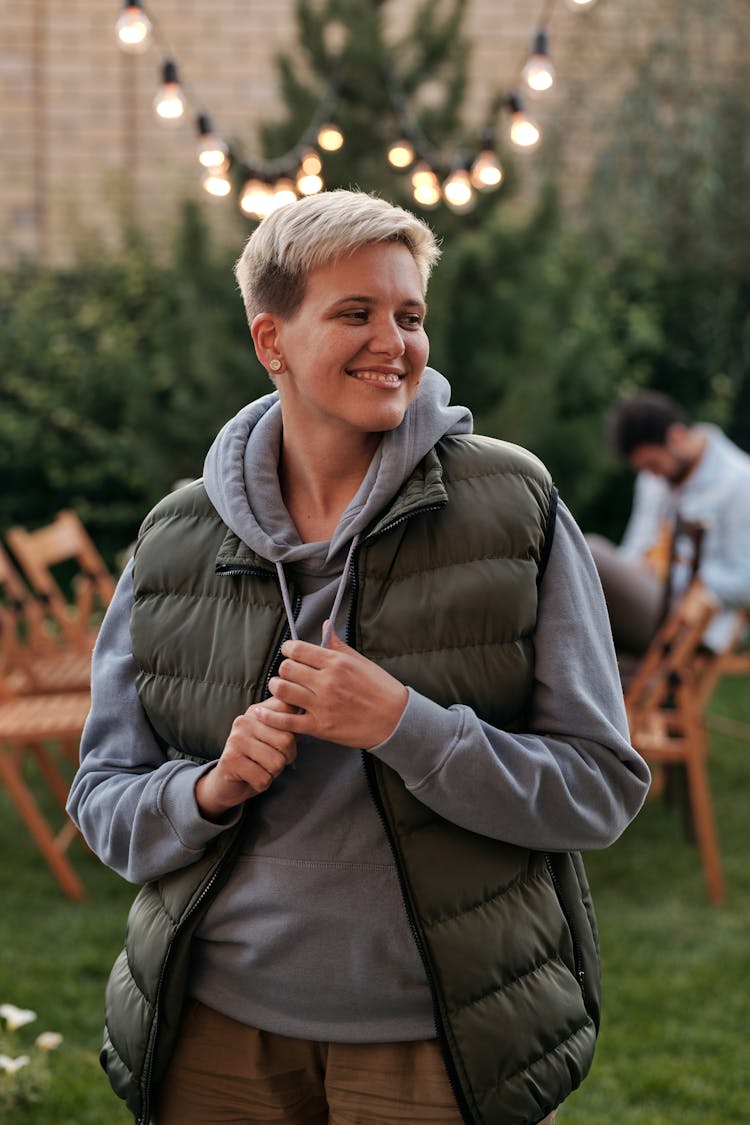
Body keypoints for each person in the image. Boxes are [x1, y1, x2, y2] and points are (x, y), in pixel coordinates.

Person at [67, 190, 649, 1125]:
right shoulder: (173, 540)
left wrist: (406, 727)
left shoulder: (515, 505)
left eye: (409, 314)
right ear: (271, 341)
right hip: (212, 1036)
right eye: (356, 313)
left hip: (438, 1041)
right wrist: (208, 790)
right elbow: (102, 796)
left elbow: (599, 787)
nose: (397, 341)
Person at [587, 391, 750, 655]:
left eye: (653, 464)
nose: (652, 475)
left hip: (689, 620)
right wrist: (634, 567)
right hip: (646, 599)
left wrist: (693, 580)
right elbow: (633, 548)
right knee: (578, 570)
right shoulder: (652, 479)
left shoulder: (740, 482)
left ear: (675, 436)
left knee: (588, 554)